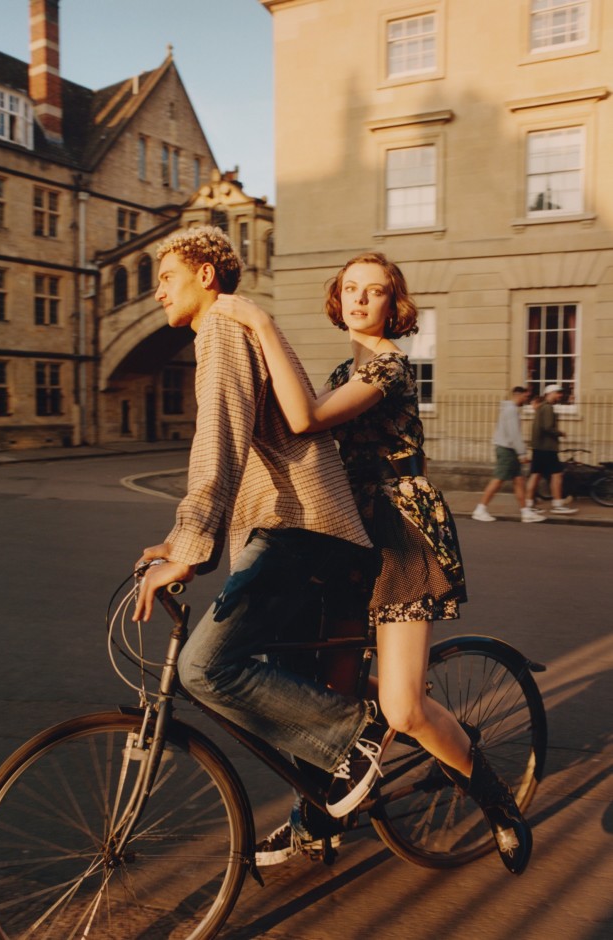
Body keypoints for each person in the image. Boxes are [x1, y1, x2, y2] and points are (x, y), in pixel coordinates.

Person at [213, 251, 532, 876]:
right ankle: (317, 824)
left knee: (403, 709)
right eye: (350, 289)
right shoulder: (342, 367)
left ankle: (498, 804)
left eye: (375, 291)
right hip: (346, 532)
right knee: (319, 693)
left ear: (395, 303)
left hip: (402, 534)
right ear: (339, 299)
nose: (360, 300)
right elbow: (289, 427)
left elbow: (304, 416)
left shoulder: (389, 367)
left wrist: (257, 321)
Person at [133, 226, 386, 827]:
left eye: (166, 278)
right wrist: (178, 539)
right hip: (288, 527)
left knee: (205, 668)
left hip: (300, 527)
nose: (157, 294)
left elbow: (217, 441)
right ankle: (317, 821)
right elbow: (229, 452)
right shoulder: (224, 331)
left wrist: (191, 553)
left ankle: (357, 736)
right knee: (286, 686)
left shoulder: (222, 326)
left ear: (205, 274)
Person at [472, 387, 545, 523]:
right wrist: (522, 453)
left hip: (508, 449)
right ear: (519, 395)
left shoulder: (509, 409)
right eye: (525, 397)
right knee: (498, 479)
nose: (527, 400)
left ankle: (525, 512)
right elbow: (514, 434)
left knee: (519, 480)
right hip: (507, 450)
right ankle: (480, 509)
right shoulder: (511, 410)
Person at [525, 385, 578, 515]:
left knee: (535, 475)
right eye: (558, 393)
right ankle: (558, 505)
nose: (560, 396)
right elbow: (548, 427)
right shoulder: (548, 407)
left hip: (539, 447)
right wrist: (560, 433)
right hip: (547, 448)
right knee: (557, 475)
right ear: (551, 393)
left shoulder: (541, 407)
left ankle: (528, 504)